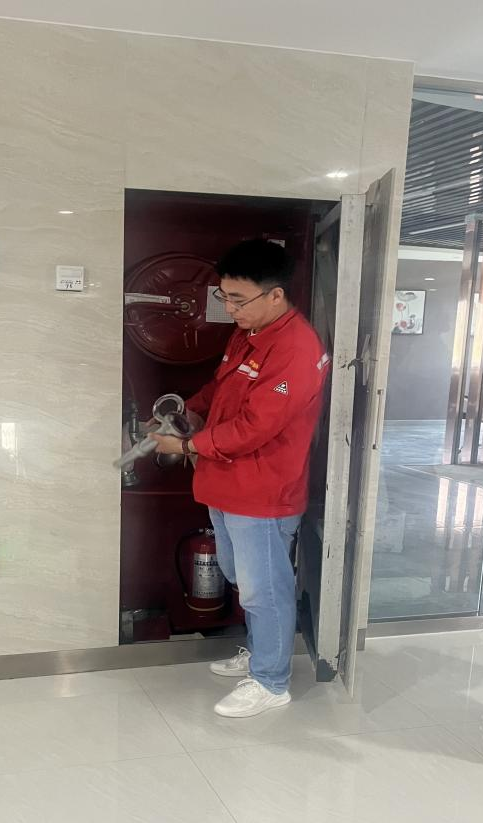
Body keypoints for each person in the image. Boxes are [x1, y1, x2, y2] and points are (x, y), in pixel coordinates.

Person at [152, 238, 329, 718]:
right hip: (226, 484)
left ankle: (271, 682)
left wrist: (186, 446)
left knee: (264, 588)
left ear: (275, 295)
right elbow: (221, 386)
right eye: (224, 296)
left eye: (237, 299)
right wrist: (187, 411)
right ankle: (260, 653)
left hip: (263, 490)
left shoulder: (294, 349)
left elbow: (255, 427)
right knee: (240, 578)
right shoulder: (249, 332)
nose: (229, 308)